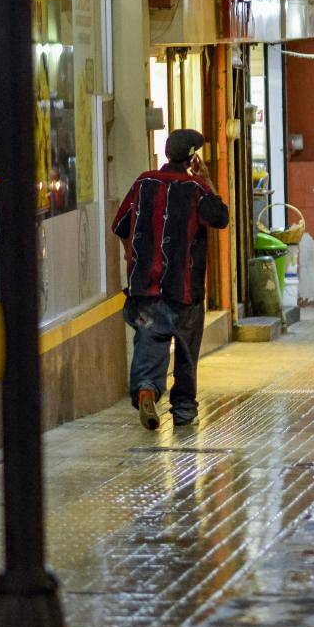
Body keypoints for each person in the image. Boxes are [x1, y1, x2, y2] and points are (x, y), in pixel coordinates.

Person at [114, 129, 229, 430]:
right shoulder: (196, 188)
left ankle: (146, 391)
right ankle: (184, 410)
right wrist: (205, 179)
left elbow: (121, 224)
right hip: (185, 289)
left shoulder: (144, 182)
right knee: (187, 351)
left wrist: (136, 262)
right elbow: (220, 217)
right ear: (192, 157)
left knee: (150, 342)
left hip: (146, 287)